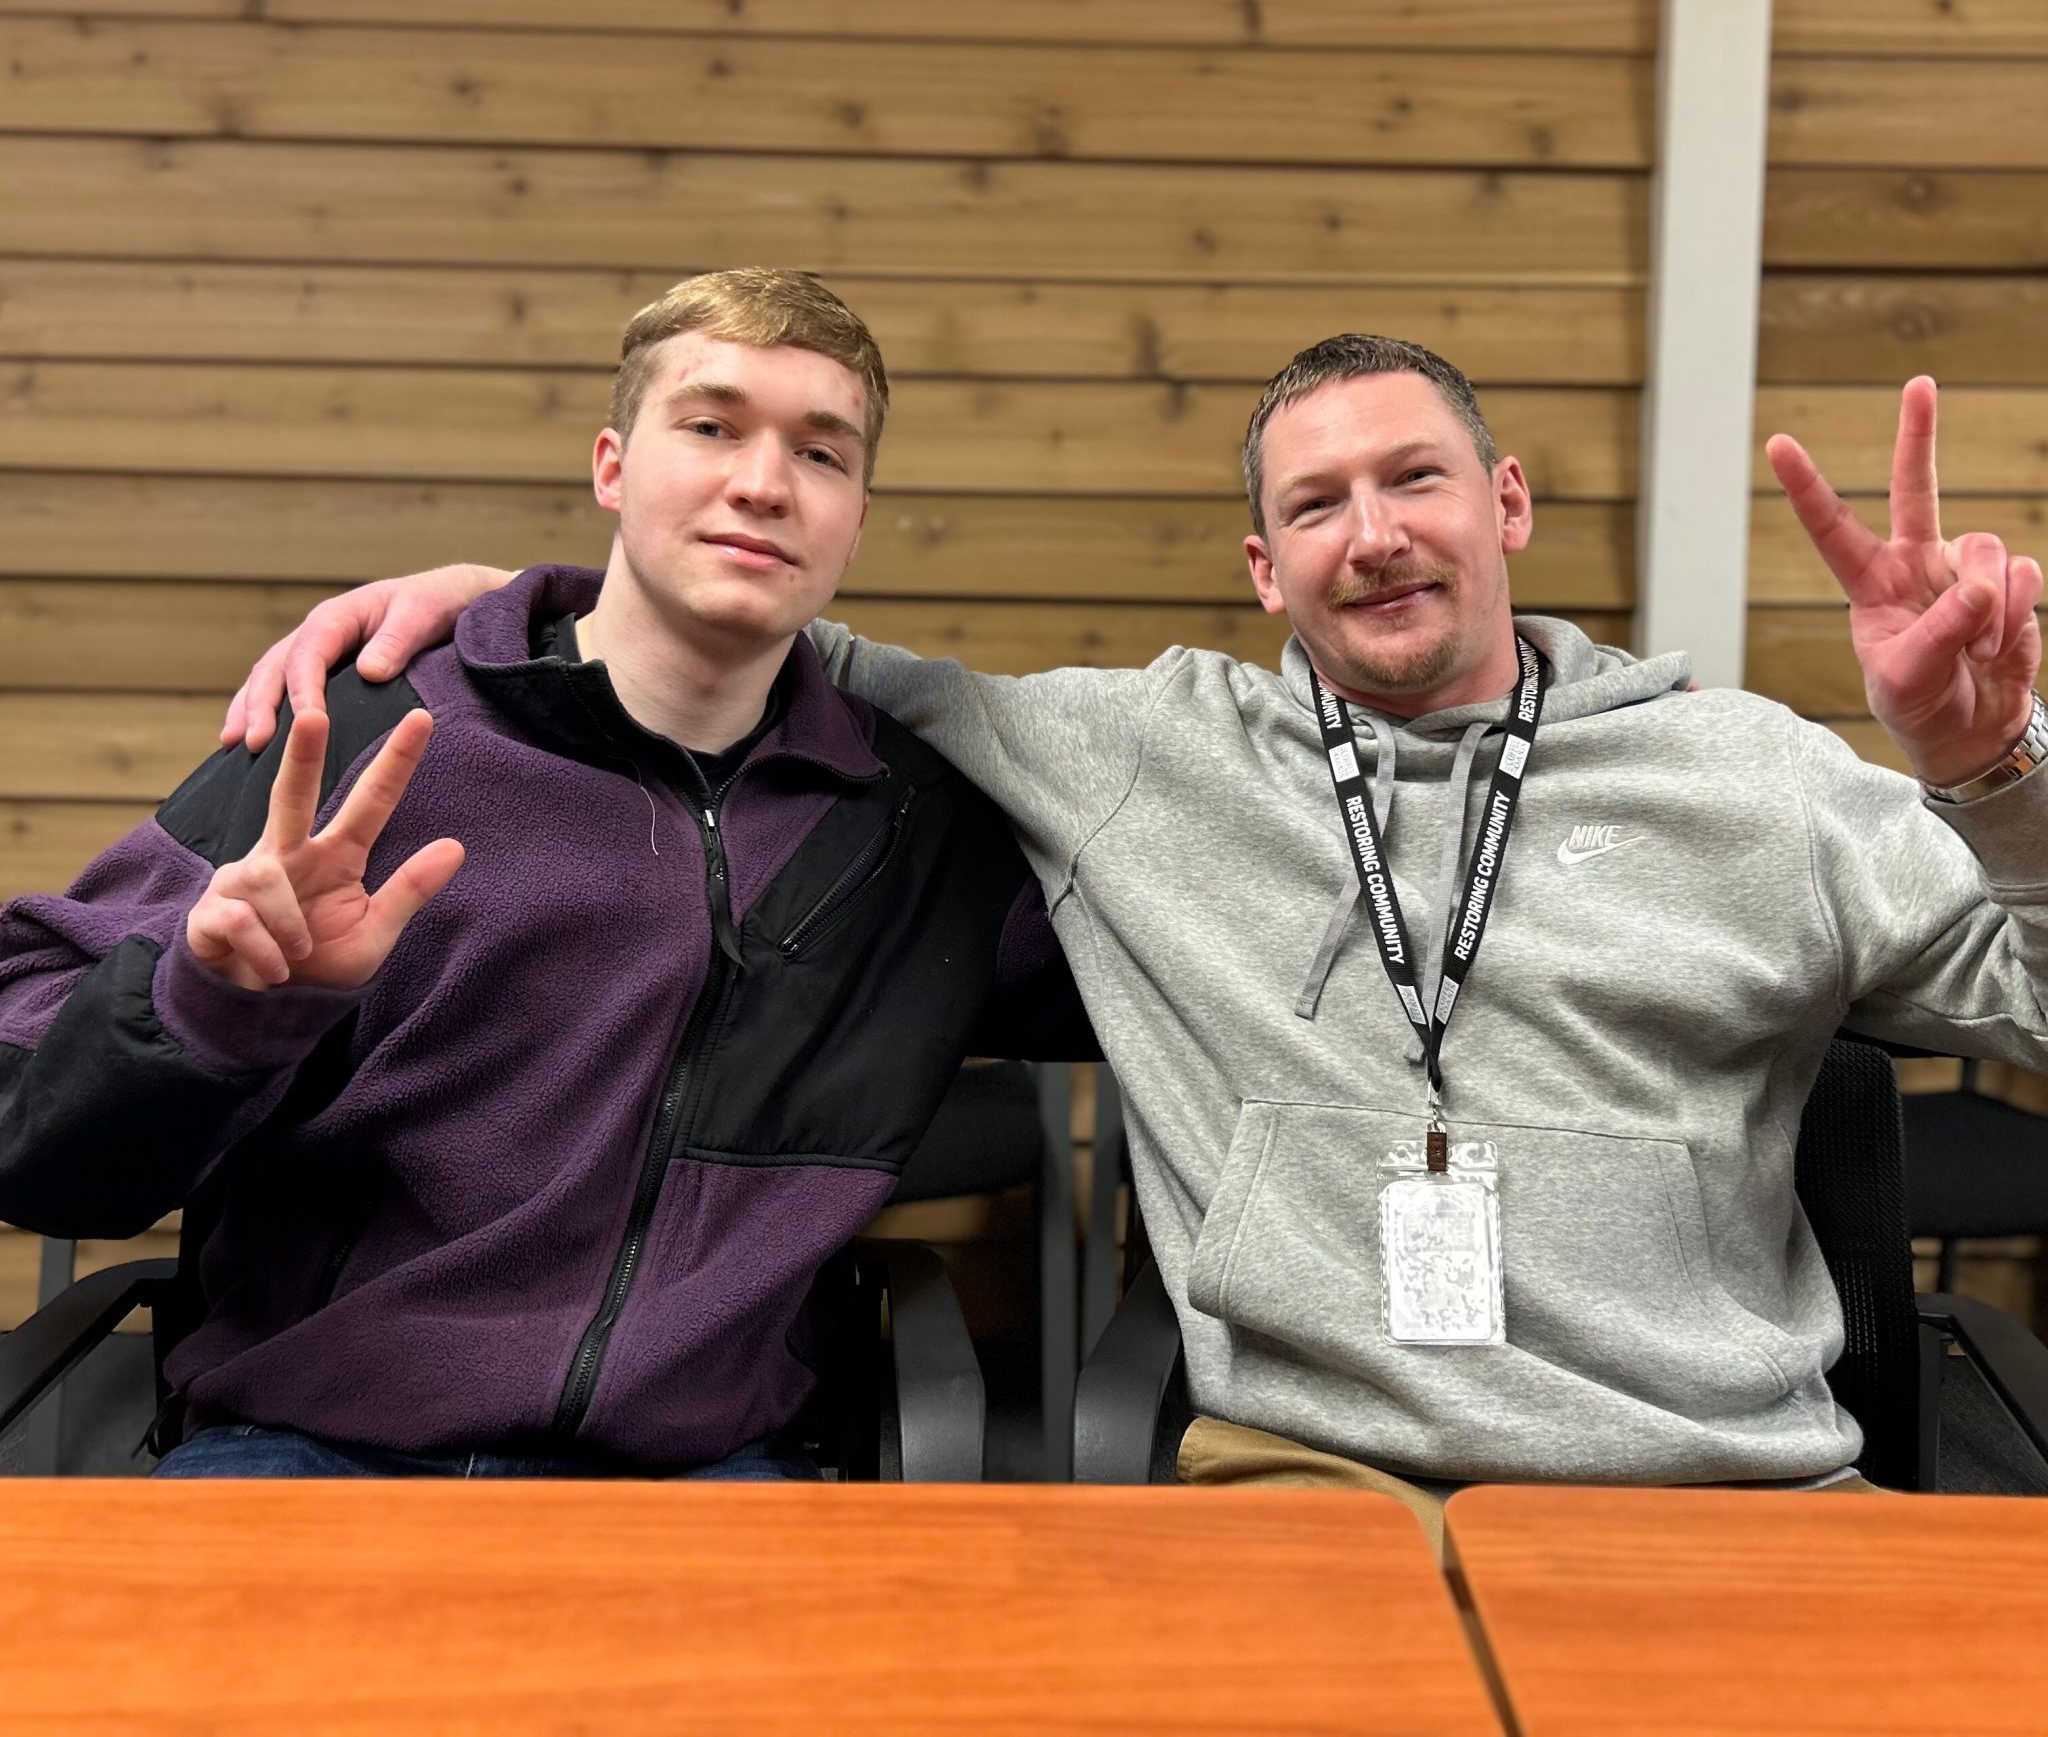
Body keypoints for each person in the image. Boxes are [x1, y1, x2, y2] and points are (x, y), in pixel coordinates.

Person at [223, 331, 2048, 1525]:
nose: (1370, 535)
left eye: (1414, 478)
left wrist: (1994, 767)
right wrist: (523, 596)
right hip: (1313, 1485)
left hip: (1729, 1491)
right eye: (1313, 505)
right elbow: (753, 637)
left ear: (1504, 504)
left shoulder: (1751, 776)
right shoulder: (1137, 755)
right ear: (1264, 568)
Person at [0, 268, 1079, 1481]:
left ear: (856, 518)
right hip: (308, 1448)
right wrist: (212, 1010)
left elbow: (1176, 973)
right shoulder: (368, 731)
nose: (764, 483)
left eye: (820, 453)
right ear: (611, 467)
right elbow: (31, 1133)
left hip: (702, 1477)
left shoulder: (913, 829)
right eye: (710, 426)